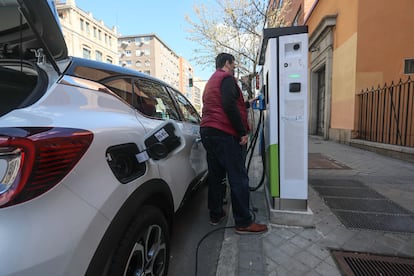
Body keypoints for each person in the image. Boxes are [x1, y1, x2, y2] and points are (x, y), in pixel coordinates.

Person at [200, 53, 268, 234]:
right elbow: (228, 105)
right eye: (233, 63)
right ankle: (244, 222)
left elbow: (219, 105)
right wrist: (241, 132)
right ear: (227, 63)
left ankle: (216, 214)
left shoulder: (211, 82)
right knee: (238, 177)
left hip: (208, 131)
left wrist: (246, 103)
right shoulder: (227, 79)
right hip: (224, 133)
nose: (235, 66)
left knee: (216, 175)